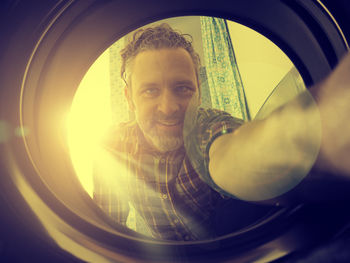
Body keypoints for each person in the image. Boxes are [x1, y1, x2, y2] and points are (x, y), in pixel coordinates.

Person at [92, 23, 350, 241]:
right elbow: (105, 228)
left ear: (198, 91)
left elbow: (231, 150)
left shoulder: (207, 124)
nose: (169, 107)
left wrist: (325, 134)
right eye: (150, 91)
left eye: (182, 88)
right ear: (128, 98)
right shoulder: (112, 147)